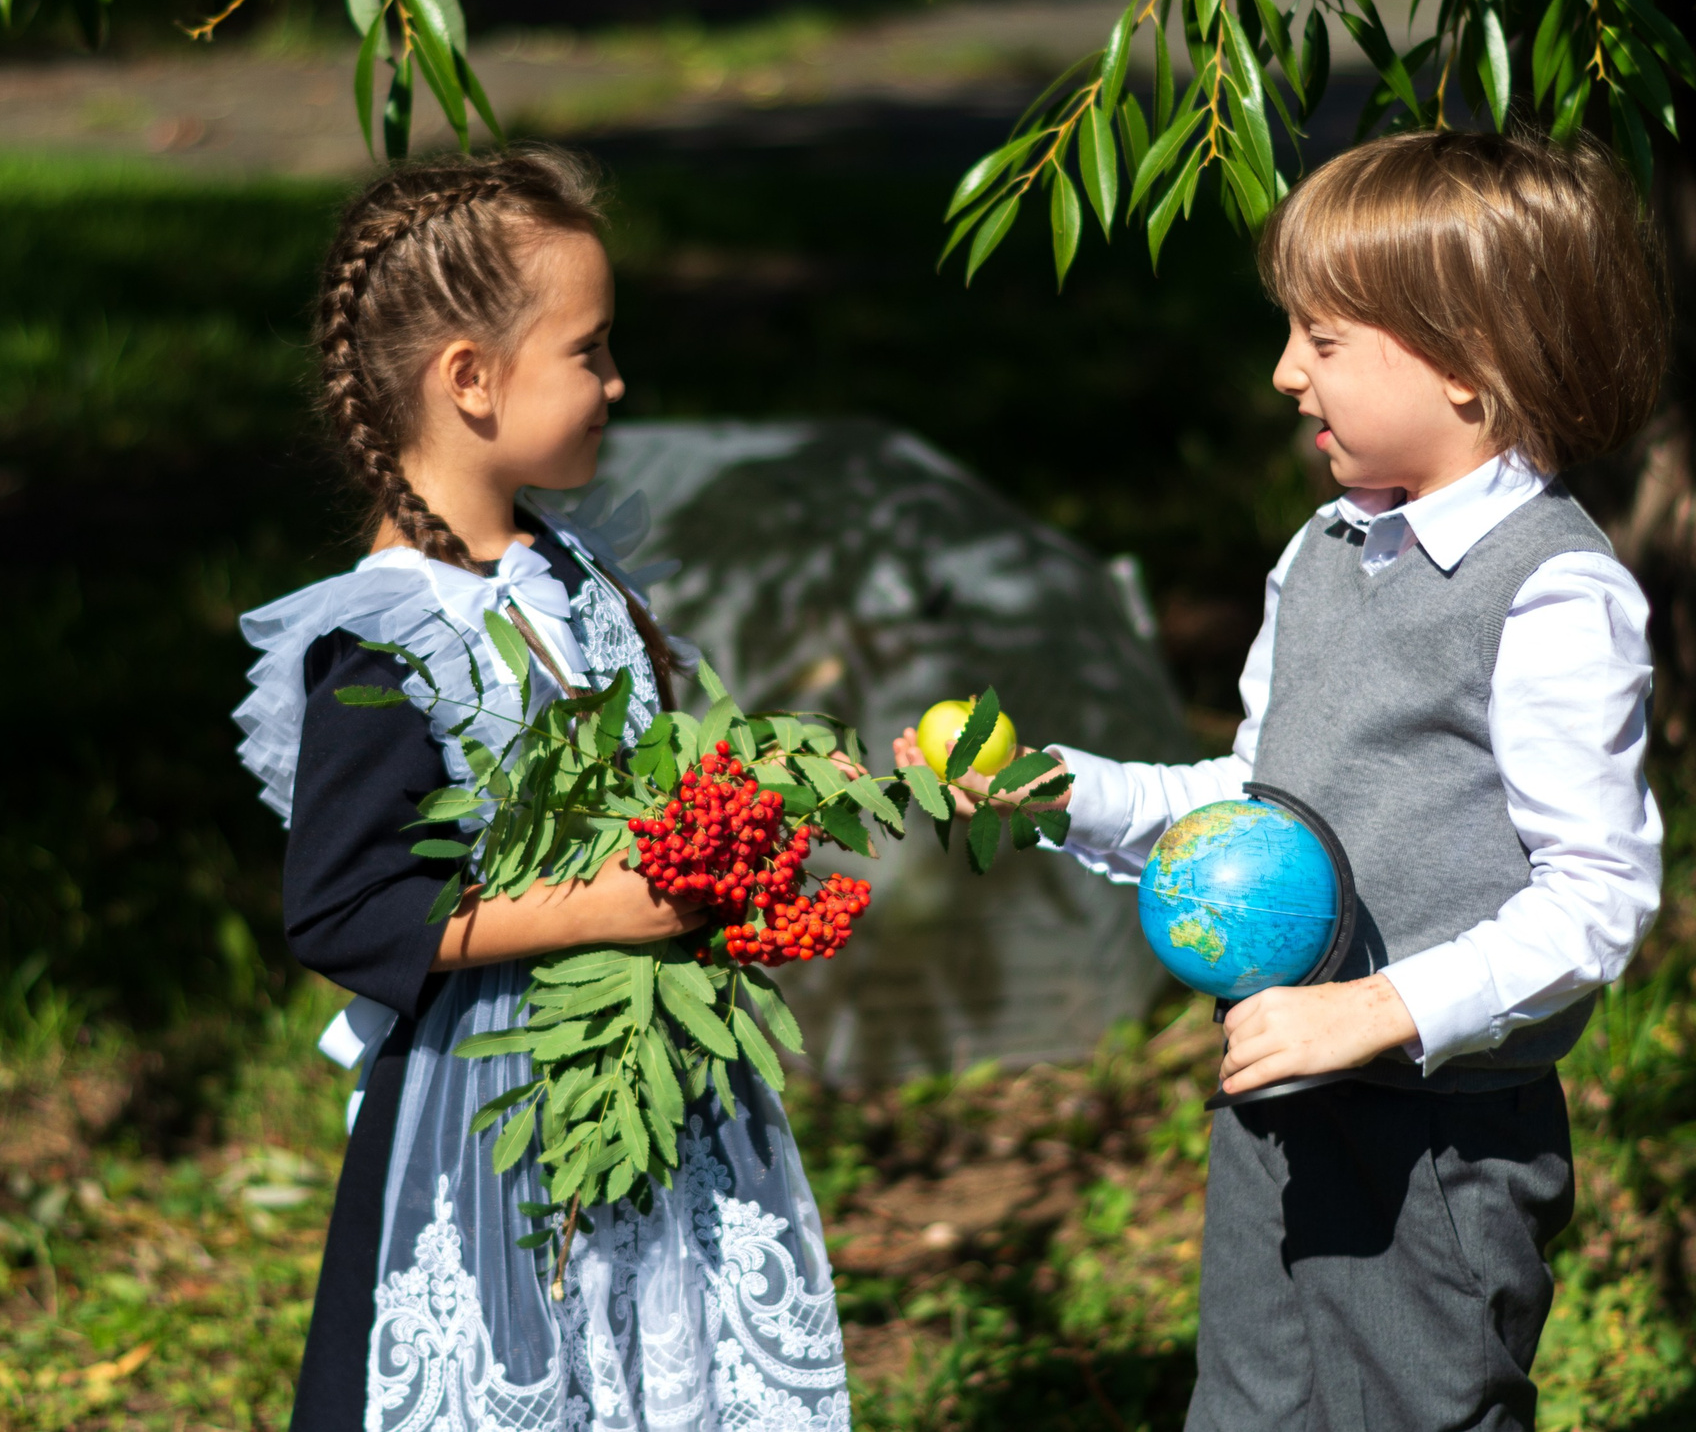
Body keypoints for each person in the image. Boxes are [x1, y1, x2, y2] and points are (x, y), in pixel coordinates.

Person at [896, 129, 1667, 1431]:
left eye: (1324, 337)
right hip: (1283, 1085)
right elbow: (1259, 800)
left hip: (1436, 1134)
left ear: (1468, 363)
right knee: (1252, 1400)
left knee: (1417, 1405)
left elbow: (1595, 896)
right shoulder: (1322, 550)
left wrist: (1383, 1005)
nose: (1283, 371)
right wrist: (1064, 793)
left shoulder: (1550, 588)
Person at [235, 148, 849, 1432]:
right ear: (469, 378)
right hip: (490, 1100)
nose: (616, 382)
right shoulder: (384, 641)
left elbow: (650, 772)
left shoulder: (573, 569)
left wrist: (755, 803)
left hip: (646, 1073)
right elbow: (345, 912)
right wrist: (598, 912)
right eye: (589, 351)